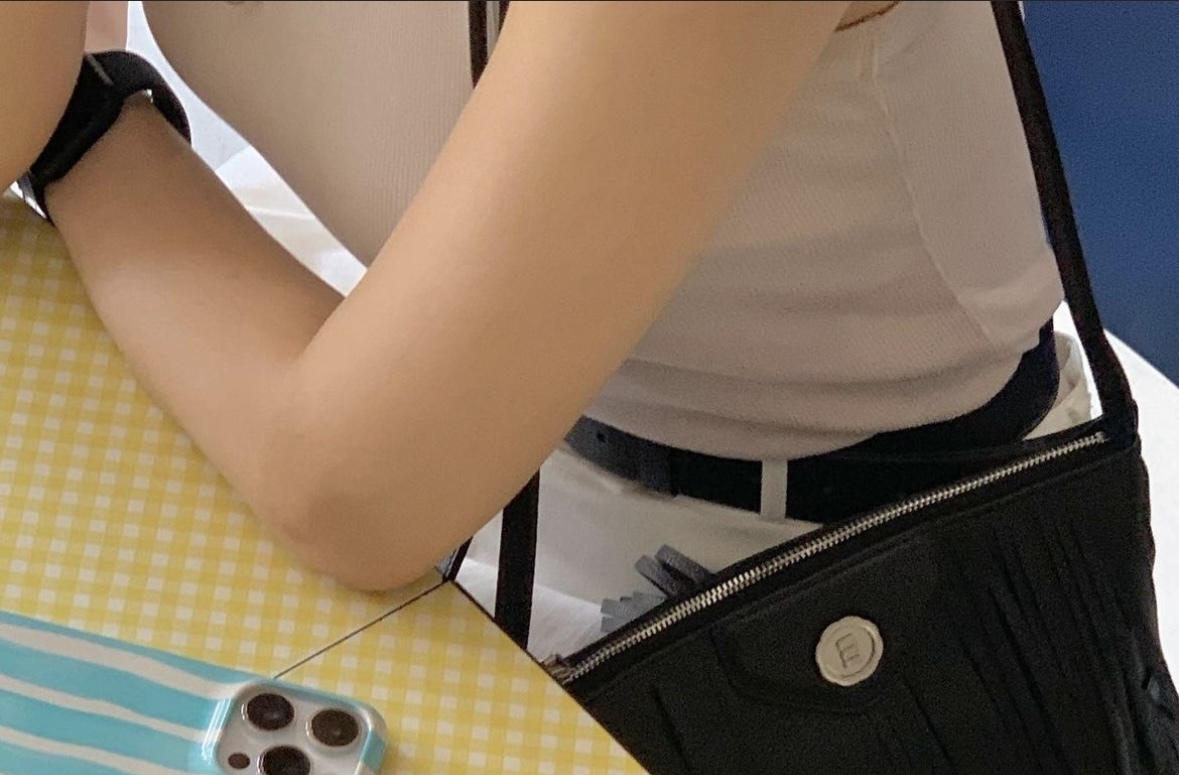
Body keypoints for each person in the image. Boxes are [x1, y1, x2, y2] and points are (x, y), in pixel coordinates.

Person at [2, 1, 1087, 659]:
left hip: (848, 575)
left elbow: (352, 490)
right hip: (448, 402)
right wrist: (73, 112)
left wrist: (93, 122)